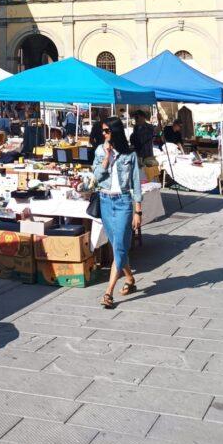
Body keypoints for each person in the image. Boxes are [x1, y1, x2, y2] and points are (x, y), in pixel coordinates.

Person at [93, 117, 143, 309]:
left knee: (120, 246)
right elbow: (96, 176)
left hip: (123, 202)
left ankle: (108, 292)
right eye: (102, 131)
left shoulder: (129, 155)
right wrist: (106, 158)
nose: (103, 134)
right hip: (105, 200)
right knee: (117, 246)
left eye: (106, 131)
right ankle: (129, 279)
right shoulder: (100, 150)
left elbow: (136, 183)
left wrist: (138, 210)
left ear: (116, 132)